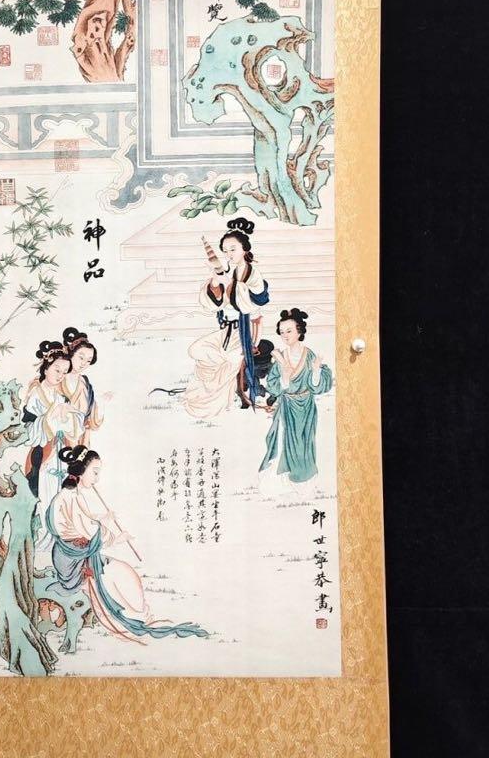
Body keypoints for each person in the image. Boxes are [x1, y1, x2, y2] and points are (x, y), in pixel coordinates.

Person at [46, 445, 209, 645]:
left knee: (120, 571)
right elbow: (88, 530)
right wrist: (115, 536)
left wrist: (103, 519)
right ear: (82, 470)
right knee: (118, 572)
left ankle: (138, 614)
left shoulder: (70, 494)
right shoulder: (71, 496)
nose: (97, 478)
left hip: (74, 552)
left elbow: (83, 521)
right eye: (94, 472)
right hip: (72, 559)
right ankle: (135, 616)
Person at [182, 216, 270, 418]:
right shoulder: (227, 270)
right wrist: (215, 282)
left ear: (244, 249)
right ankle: (208, 382)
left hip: (246, 333)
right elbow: (215, 303)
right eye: (225, 251)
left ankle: (210, 401)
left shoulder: (252, 274)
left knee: (229, 362)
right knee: (196, 349)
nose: (229, 254)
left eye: (233, 249)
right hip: (227, 331)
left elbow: (254, 304)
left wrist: (229, 284)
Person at [259, 309, 333, 481]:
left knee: (306, 440)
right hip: (287, 406)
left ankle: (306, 475)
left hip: (307, 405)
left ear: (299, 331)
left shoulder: (309, 355)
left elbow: (317, 387)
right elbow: (273, 386)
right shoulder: (280, 357)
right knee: (287, 440)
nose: (285, 335)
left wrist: (316, 371)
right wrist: (284, 378)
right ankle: (288, 475)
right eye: (282, 332)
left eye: (289, 331)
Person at [21, 341, 85, 508]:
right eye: (57, 370)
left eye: (64, 372)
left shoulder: (61, 397)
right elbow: (29, 431)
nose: (60, 376)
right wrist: (53, 414)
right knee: (46, 496)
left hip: (63, 452)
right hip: (44, 453)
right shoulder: (35, 395)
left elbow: (77, 426)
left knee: (62, 496)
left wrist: (68, 414)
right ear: (46, 368)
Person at [60, 327, 110, 446]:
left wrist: (101, 403)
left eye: (88, 361)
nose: (83, 363)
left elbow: (92, 422)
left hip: (81, 441)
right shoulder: (57, 379)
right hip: (59, 441)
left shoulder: (85, 383)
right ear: (71, 354)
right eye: (81, 357)